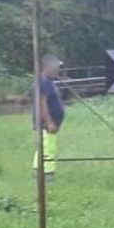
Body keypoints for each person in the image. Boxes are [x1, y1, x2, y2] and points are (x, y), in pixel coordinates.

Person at [32, 54, 65, 182]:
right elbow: (42, 103)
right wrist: (49, 122)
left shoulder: (49, 81)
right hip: (46, 124)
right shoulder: (43, 82)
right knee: (47, 148)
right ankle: (46, 175)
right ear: (48, 67)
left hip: (50, 124)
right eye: (56, 67)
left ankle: (40, 172)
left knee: (46, 146)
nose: (58, 70)